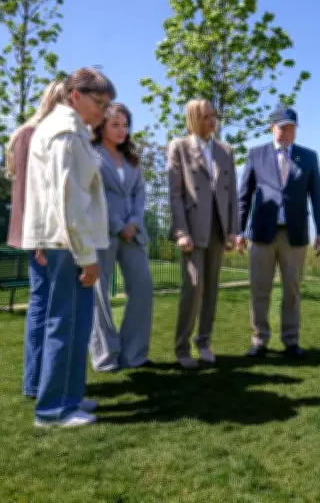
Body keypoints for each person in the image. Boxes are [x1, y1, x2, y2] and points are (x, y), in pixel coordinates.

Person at [21, 67, 116, 427]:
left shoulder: (70, 130)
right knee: (68, 323)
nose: (104, 113)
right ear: (75, 96)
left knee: (73, 323)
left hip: (61, 241)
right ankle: (53, 410)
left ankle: (68, 396)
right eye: (99, 103)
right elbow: (68, 201)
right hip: (69, 244)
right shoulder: (65, 132)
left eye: (108, 105)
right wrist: (87, 257)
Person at [236, 106, 320, 358]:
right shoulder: (256, 155)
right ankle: (259, 341)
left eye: (291, 128)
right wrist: (238, 230)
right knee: (259, 291)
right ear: (271, 128)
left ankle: (291, 341)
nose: (287, 132)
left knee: (292, 291)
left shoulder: (309, 157)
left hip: (295, 236)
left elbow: (317, 196)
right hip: (262, 235)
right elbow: (243, 196)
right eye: (282, 127)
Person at [5, 79, 66, 400]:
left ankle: (40, 382)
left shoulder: (27, 134)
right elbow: (34, 192)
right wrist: (40, 238)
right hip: (44, 236)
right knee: (46, 306)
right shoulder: (36, 135)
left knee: (44, 303)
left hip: (40, 234)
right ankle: (39, 383)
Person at [168, 99, 237, 370]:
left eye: (213, 115)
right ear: (194, 118)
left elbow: (231, 194)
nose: (212, 120)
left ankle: (204, 342)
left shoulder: (225, 150)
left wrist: (233, 230)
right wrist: (181, 231)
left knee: (211, 289)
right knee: (193, 287)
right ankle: (182, 347)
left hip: (219, 229)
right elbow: (175, 194)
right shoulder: (180, 147)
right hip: (193, 230)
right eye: (206, 116)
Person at [88, 103, 155, 372]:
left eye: (125, 125)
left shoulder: (133, 160)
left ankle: (134, 355)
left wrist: (134, 223)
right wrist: (118, 225)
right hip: (103, 233)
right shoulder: (91, 155)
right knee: (99, 296)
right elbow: (95, 195)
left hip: (134, 235)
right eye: (115, 124)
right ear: (101, 126)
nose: (121, 130)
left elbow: (140, 194)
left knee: (143, 289)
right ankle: (106, 356)